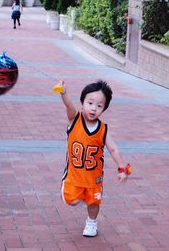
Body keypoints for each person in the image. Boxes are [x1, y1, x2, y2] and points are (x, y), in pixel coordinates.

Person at [55, 79, 131, 237]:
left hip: (94, 177)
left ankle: (91, 223)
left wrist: (123, 168)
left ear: (104, 109)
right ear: (82, 103)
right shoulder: (74, 119)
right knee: (72, 201)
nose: (93, 108)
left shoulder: (103, 129)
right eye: (90, 103)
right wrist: (63, 92)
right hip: (74, 175)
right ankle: (74, 192)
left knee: (94, 203)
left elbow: (114, 149)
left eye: (99, 106)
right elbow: (69, 105)